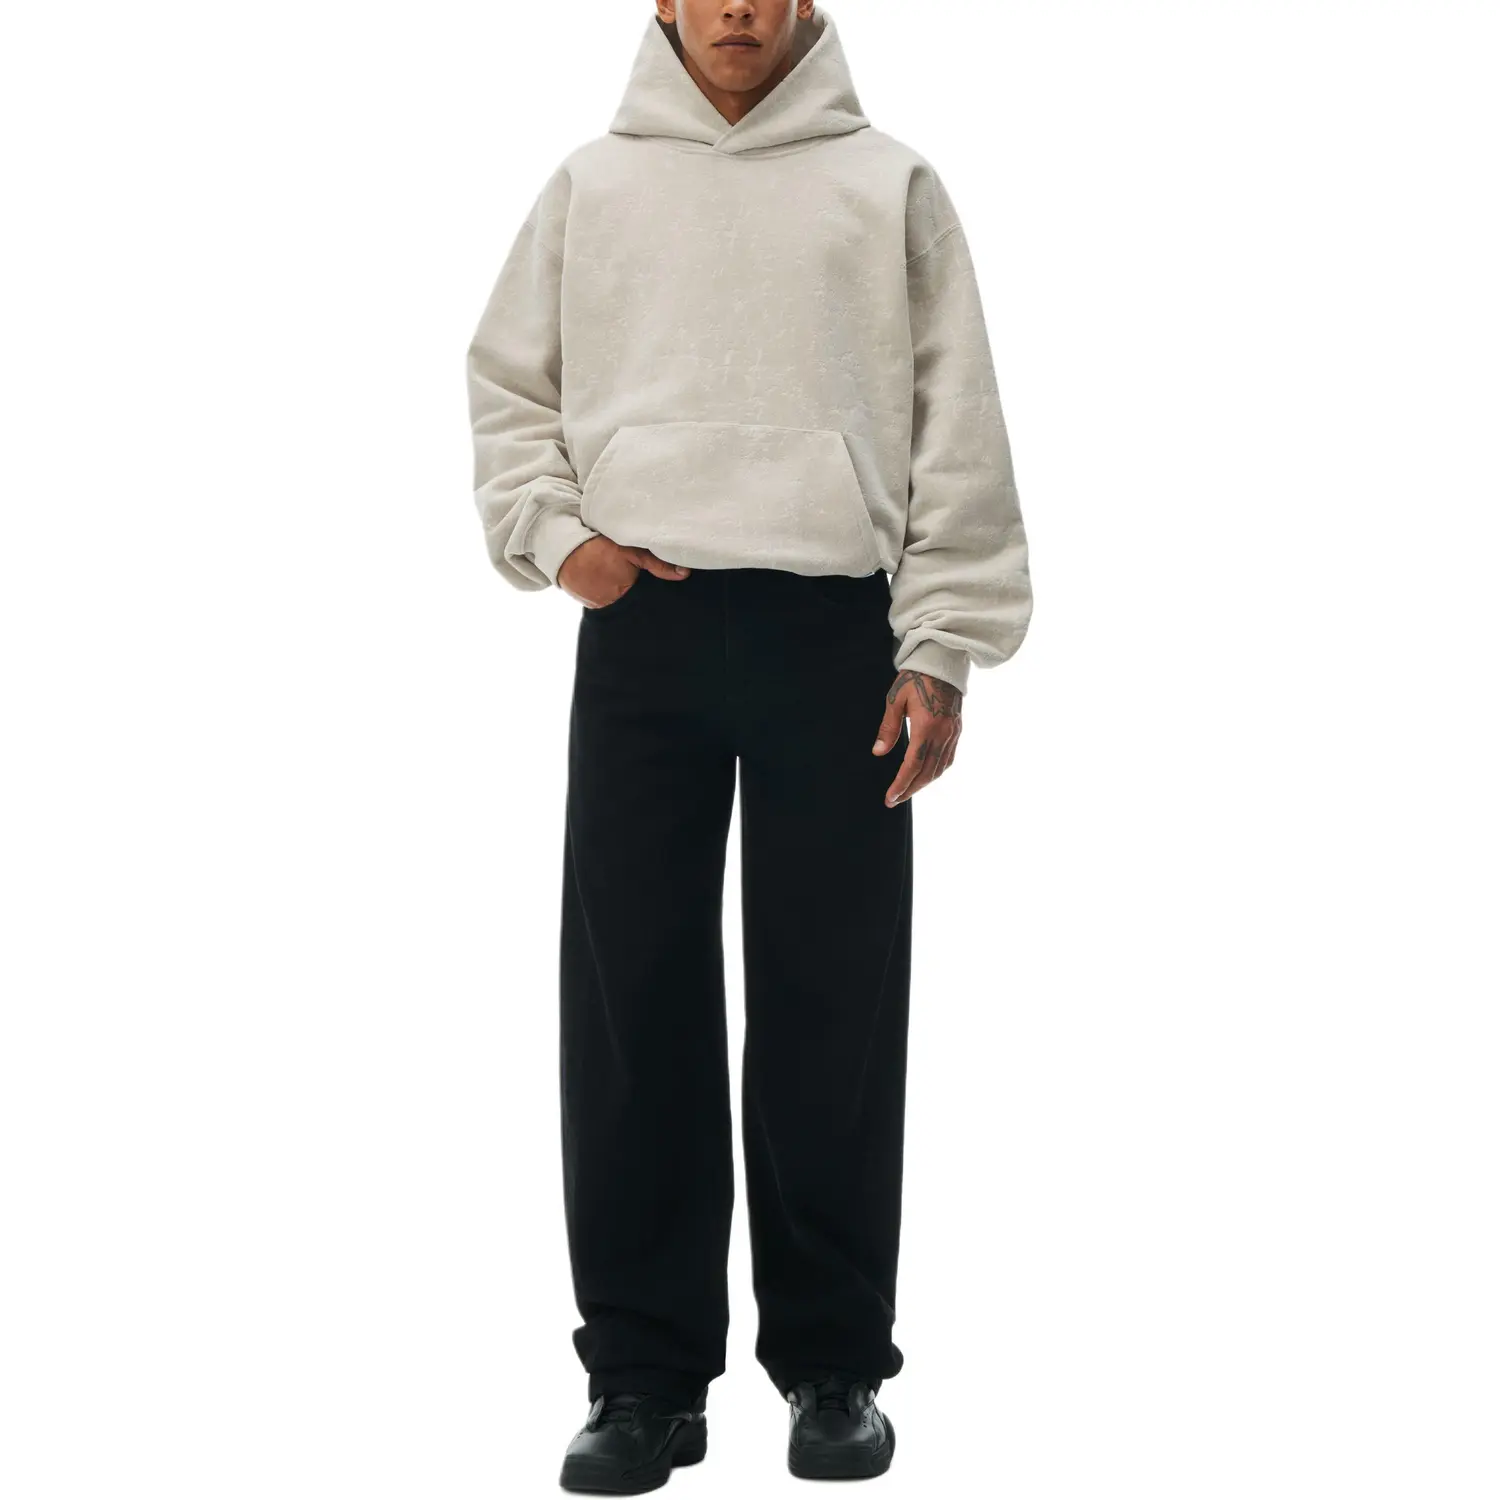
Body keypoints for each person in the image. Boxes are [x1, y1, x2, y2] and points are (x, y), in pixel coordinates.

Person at [466, 1, 1032, 1487]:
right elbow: (509, 384)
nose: (736, 8)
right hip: (645, 625)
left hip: (838, 632)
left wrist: (942, 647)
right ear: (660, 0)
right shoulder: (594, 185)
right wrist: (560, 539)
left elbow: (956, 419)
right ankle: (643, 1379)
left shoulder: (888, 185)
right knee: (632, 998)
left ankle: (835, 1366)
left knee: (831, 1001)